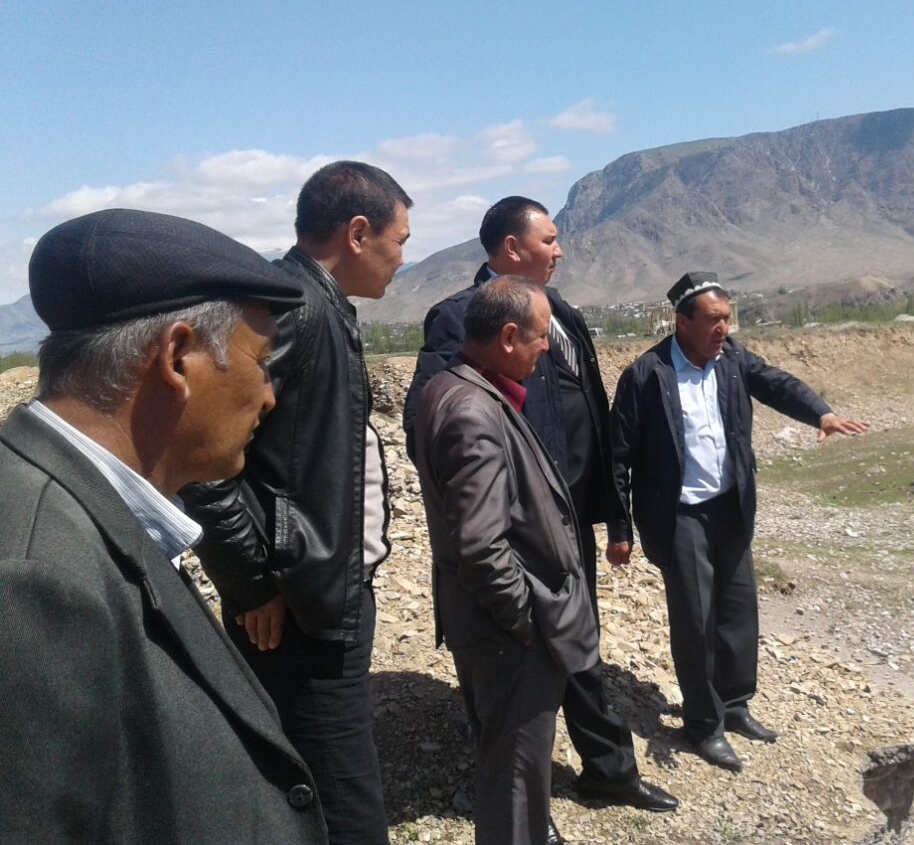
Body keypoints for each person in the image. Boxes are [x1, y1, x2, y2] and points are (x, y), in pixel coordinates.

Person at [0, 208, 328, 844]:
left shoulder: (85, 510)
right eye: (262, 362)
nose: (269, 396)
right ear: (178, 356)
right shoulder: (32, 581)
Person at [403, 197, 676, 815]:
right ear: (511, 248)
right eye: (548, 240)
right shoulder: (458, 318)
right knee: (514, 666)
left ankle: (608, 770)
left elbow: (596, 418)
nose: (560, 250)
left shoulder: (562, 316)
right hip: (510, 531)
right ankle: (525, 806)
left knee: (579, 644)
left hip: (568, 520)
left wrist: (614, 513)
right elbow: (426, 421)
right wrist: (489, 506)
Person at [183, 161, 413, 845]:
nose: (404, 258)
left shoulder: (318, 303)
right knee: (343, 802)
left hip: (317, 586)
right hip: (295, 605)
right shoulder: (291, 306)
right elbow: (202, 456)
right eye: (400, 240)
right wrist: (253, 582)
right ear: (358, 233)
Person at [609, 272, 869, 772]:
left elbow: (776, 383)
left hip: (729, 506)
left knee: (737, 611)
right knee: (696, 621)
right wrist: (620, 531)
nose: (723, 329)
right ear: (682, 321)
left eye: (727, 319)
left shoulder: (731, 360)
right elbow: (618, 456)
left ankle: (734, 705)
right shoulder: (647, 374)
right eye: (713, 320)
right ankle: (702, 724)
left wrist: (821, 414)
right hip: (679, 515)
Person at [413, 276, 600, 845]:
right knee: (517, 787)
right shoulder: (474, 411)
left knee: (506, 773)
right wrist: (524, 622)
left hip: (490, 628)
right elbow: (481, 545)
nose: (546, 348)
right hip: (507, 639)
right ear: (510, 335)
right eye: (541, 336)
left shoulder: (453, 386)